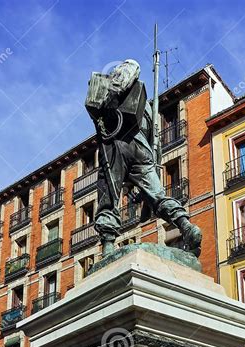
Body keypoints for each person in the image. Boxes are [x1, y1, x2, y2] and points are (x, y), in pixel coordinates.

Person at [87, 59, 202, 258]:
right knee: (158, 196)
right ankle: (186, 226)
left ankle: (107, 246)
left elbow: (131, 67)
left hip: (115, 146)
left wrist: (110, 97)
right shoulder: (147, 108)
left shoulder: (113, 86)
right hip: (142, 151)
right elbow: (154, 145)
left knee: (109, 197)